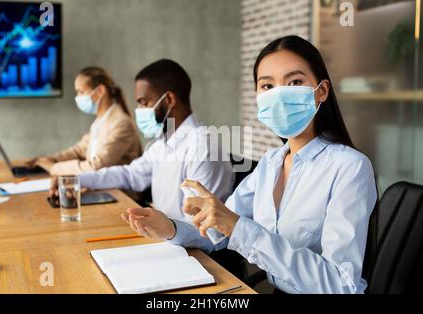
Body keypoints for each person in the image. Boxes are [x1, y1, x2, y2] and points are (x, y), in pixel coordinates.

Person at [122, 36, 378, 294]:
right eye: (267, 86)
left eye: (295, 82)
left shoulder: (350, 167)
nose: (278, 94)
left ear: (321, 91)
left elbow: (341, 285)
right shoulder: (271, 163)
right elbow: (217, 232)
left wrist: (238, 227)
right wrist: (172, 228)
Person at [50, 59, 234, 220]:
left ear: (169, 99)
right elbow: (130, 175)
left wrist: (163, 229)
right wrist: (75, 180)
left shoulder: (204, 146)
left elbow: (203, 226)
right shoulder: (164, 143)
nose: (138, 109)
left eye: (144, 102)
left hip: (192, 251)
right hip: (168, 236)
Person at [28, 67, 142, 175]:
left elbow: (96, 166)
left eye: (81, 92)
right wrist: (50, 159)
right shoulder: (100, 121)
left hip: (120, 193)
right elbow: (79, 150)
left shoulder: (122, 123)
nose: (77, 97)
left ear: (100, 91)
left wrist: (53, 167)